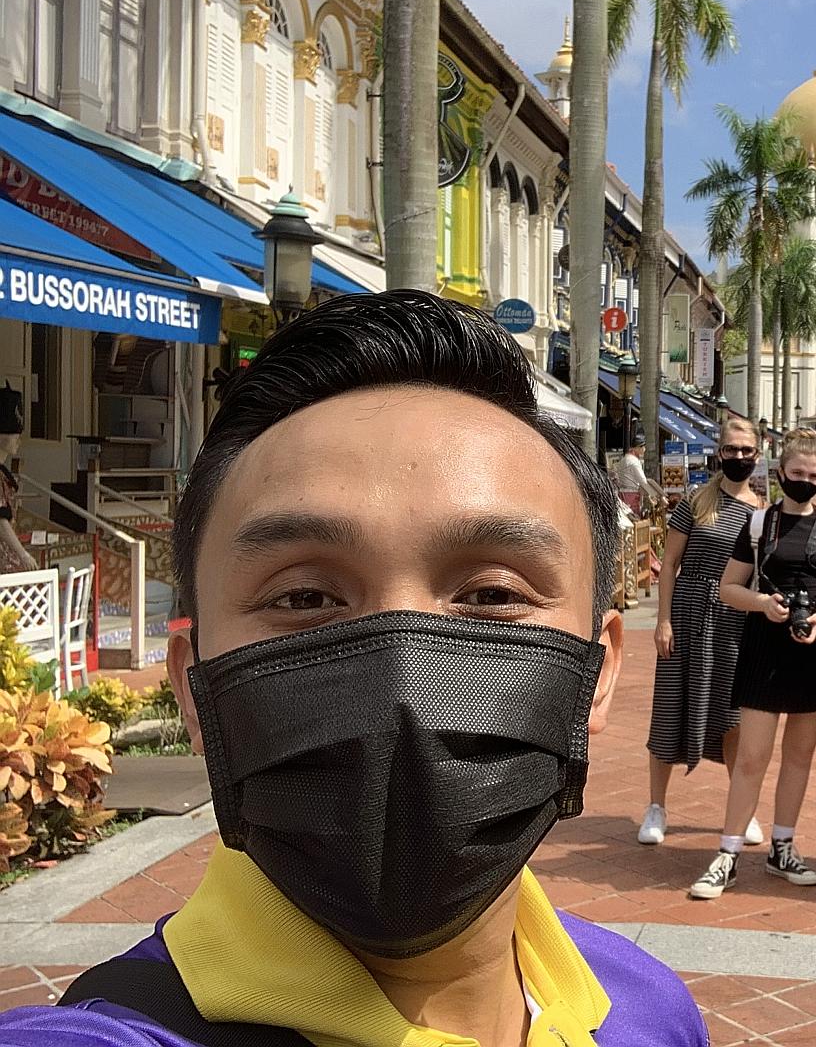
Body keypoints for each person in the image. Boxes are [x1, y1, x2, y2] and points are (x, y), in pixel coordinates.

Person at [0, 291, 706, 1047]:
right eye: (304, 595)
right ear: (193, 688)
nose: (404, 683)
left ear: (597, 673)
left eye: (492, 594)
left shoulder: (648, 1008)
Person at [688, 430, 816, 900]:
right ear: (781, 473)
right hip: (765, 649)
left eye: (814, 476)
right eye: (797, 473)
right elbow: (728, 589)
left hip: (814, 649)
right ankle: (727, 853)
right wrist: (764, 603)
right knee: (751, 758)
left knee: (799, 757)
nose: (804, 481)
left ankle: (783, 845)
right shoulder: (760, 524)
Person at [640, 416, 765, 847]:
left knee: (732, 720)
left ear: (758, 454)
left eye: (746, 450)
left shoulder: (762, 514)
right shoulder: (696, 502)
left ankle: (740, 808)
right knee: (669, 708)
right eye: (731, 449)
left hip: (733, 622)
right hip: (689, 615)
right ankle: (656, 806)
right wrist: (663, 619)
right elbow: (668, 564)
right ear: (719, 452)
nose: (739, 457)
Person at [0, 383, 37, 573]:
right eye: (12, 434)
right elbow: (0, 521)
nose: (17, 439)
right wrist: (23, 554)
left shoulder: (3, 475)